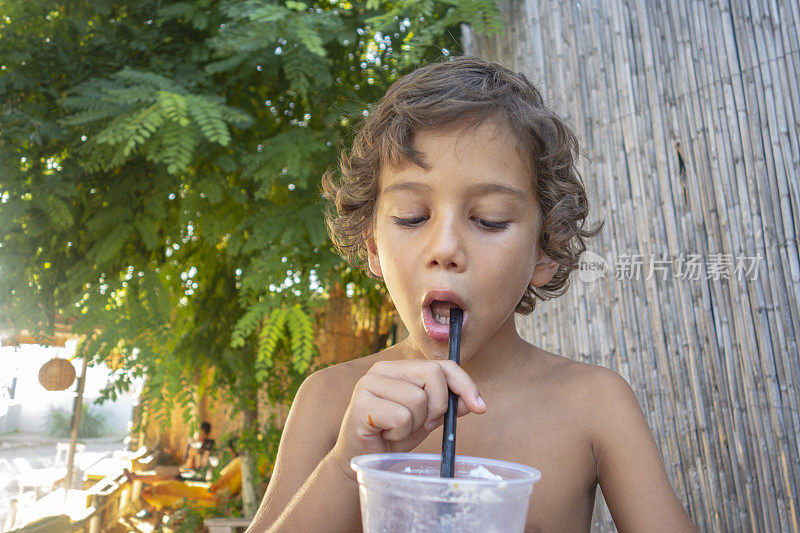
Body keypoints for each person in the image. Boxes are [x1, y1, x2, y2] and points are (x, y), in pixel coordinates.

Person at [248, 57, 697, 532]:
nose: (445, 248)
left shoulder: (595, 404)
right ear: (374, 245)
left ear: (545, 251)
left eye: (489, 220)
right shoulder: (330, 401)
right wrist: (346, 466)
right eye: (411, 216)